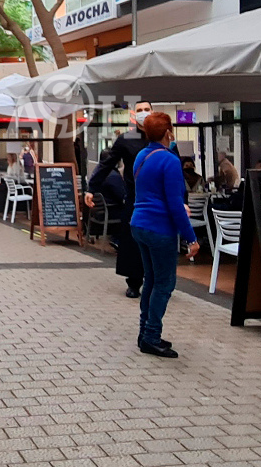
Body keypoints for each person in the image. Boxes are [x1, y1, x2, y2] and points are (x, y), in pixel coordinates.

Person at [85, 101, 180, 298]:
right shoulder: (126, 140)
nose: (143, 114)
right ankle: (134, 282)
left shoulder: (166, 140)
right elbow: (106, 164)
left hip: (162, 201)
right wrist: (91, 188)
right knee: (133, 242)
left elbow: (176, 171)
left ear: (153, 112)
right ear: (132, 115)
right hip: (135, 199)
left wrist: (182, 200)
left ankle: (158, 282)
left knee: (160, 242)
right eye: (139, 111)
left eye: (147, 110)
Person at [131, 112, 200, 358]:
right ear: (168, 132)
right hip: (160, 228)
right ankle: (151, 336)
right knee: (164, 283)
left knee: (150, 279)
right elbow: (174, 204)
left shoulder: (141, 156)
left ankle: (145, 332)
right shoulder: (170, 160)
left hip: (139, 224)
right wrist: (191, 238)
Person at [90, 149, 127, 227]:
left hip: (98, 211)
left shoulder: (97, 172)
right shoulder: (112, 176)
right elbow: (122, 196)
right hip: (110, 211)